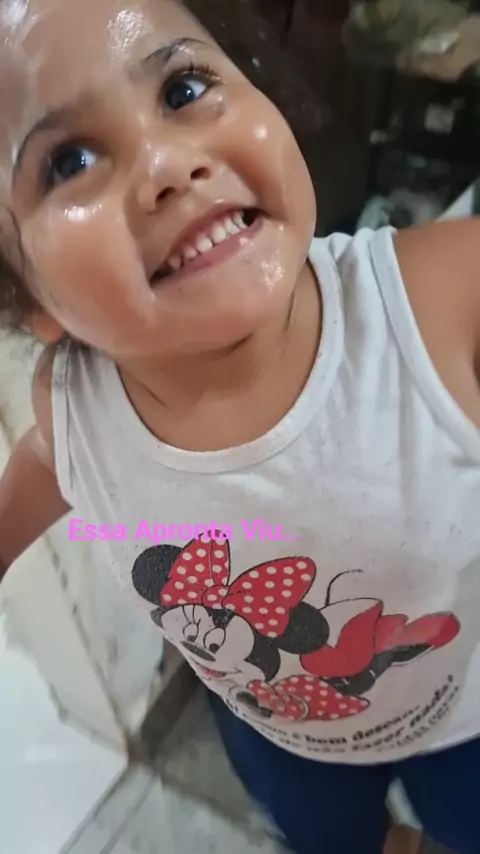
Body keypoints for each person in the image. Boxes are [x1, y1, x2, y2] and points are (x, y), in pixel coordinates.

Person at [0, 1, 479, 852]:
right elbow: (52, 460)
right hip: (277, 735)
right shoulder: (75, 406)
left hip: (462, 717)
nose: (166, 164)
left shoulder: (444, 304)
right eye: (69, 161)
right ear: (29, 296)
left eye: (183, 89)